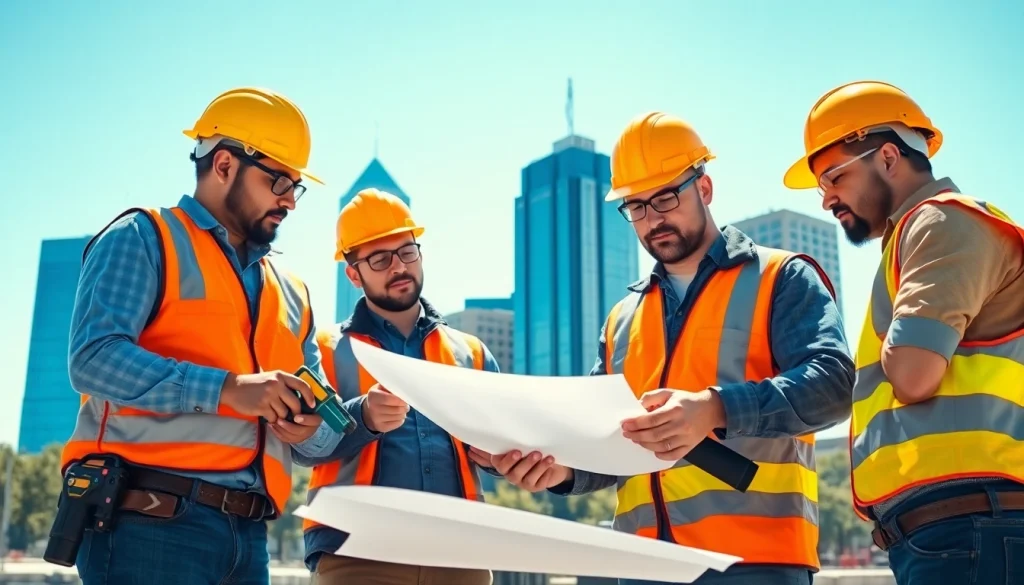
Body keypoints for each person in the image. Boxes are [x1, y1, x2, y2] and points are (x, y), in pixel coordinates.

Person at [472, 111, 855, 585]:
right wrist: (559, 472)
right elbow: (606, 445)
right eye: (636, 206)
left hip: (752, 562)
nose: (653, 219)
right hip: (640, 564)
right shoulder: (621, 319)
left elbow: (833, 383)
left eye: (666, 198)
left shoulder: (781, 276)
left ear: (705, 189)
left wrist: (714, 408)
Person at [61, 87, 362, 585]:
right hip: (148, 525)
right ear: (224, 165)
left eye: (296, 186)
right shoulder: (144, 237)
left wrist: (314, 427)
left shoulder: (294, 291)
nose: (290, 199)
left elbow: (321, 420)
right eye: (280, 180)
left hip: (249, 540)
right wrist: (229, 391)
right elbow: (93, 357)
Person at [784, 80, 1024, 584]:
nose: (827, 199)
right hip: (958, 530)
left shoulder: (941, 222)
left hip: (973, 528)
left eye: (835, 177)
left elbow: (913, 373)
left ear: (888, 155)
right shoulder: (914, 236)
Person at [295, 188, 501, 585]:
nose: (399, 267)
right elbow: (303, 446)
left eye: (407, 251)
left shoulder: (471, 353)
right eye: (379, 258)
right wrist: (364, 417)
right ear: (353, 273)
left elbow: (504, 446)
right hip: (356, 552)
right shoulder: (324, 351)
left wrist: (496, 456)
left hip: (460, 552)